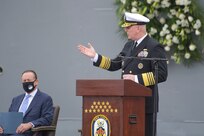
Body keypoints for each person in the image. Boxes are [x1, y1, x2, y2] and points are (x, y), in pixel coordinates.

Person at [77, 12, 168, 136]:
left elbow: (162, 74)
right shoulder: (129, 45)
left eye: (128, 27)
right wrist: (95, 57)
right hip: (126, 103)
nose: (125, 30)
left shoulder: (154, 46)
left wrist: (135, 79)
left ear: (138, 28)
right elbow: (115, 64)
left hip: (144, 105)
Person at [0, 70, 54, 136]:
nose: (26, 83)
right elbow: (10, 118)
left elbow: (47, 119)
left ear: (36, 82)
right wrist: (2, 127)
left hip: (31, 133)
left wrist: (30, 124)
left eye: (28, 80)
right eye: (24, 81)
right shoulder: (16, 99)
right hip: (12, 132)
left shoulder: (45, 98)